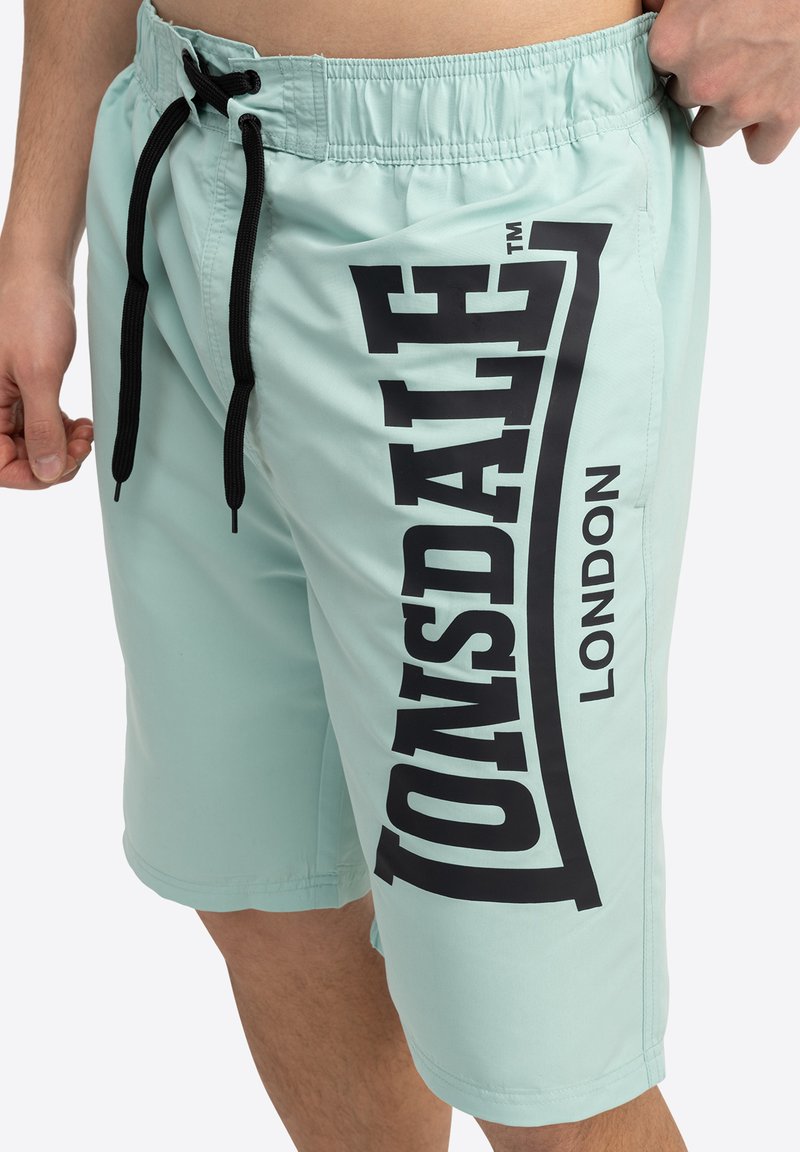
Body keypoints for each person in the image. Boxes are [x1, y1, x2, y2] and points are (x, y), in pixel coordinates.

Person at [0, 2, 796, 1150]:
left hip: (485, 215)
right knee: (266, 888)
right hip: (180, 155)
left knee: (540, 1056)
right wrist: (34, 237)